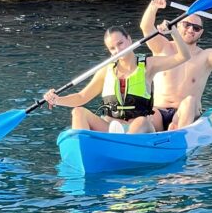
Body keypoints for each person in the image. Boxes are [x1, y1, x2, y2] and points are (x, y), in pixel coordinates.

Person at [43, 20, 191, 134]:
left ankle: (123, 144)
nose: (118, 50)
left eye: (120, 43)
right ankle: (84, 147)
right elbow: (82, 97)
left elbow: (183, 57)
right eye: (112, 48)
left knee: (141, 121)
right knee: (78, 112)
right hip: (110, 126)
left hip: (139, 129)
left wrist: (174, 32)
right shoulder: (106, 70)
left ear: (129, 40)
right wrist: (57, 100)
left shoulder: (148, 65)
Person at [139, 0, 212, 131]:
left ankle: (178, 133)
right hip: (159, 110)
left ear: (201, 33)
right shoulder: (163, 46)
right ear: (178, 25)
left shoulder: (206, 56)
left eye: (196, 28)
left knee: (189, 101)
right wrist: (154, 5)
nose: (191, 30)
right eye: (187, 25)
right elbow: (146, 27)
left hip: (188, 113)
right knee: (148, 114)